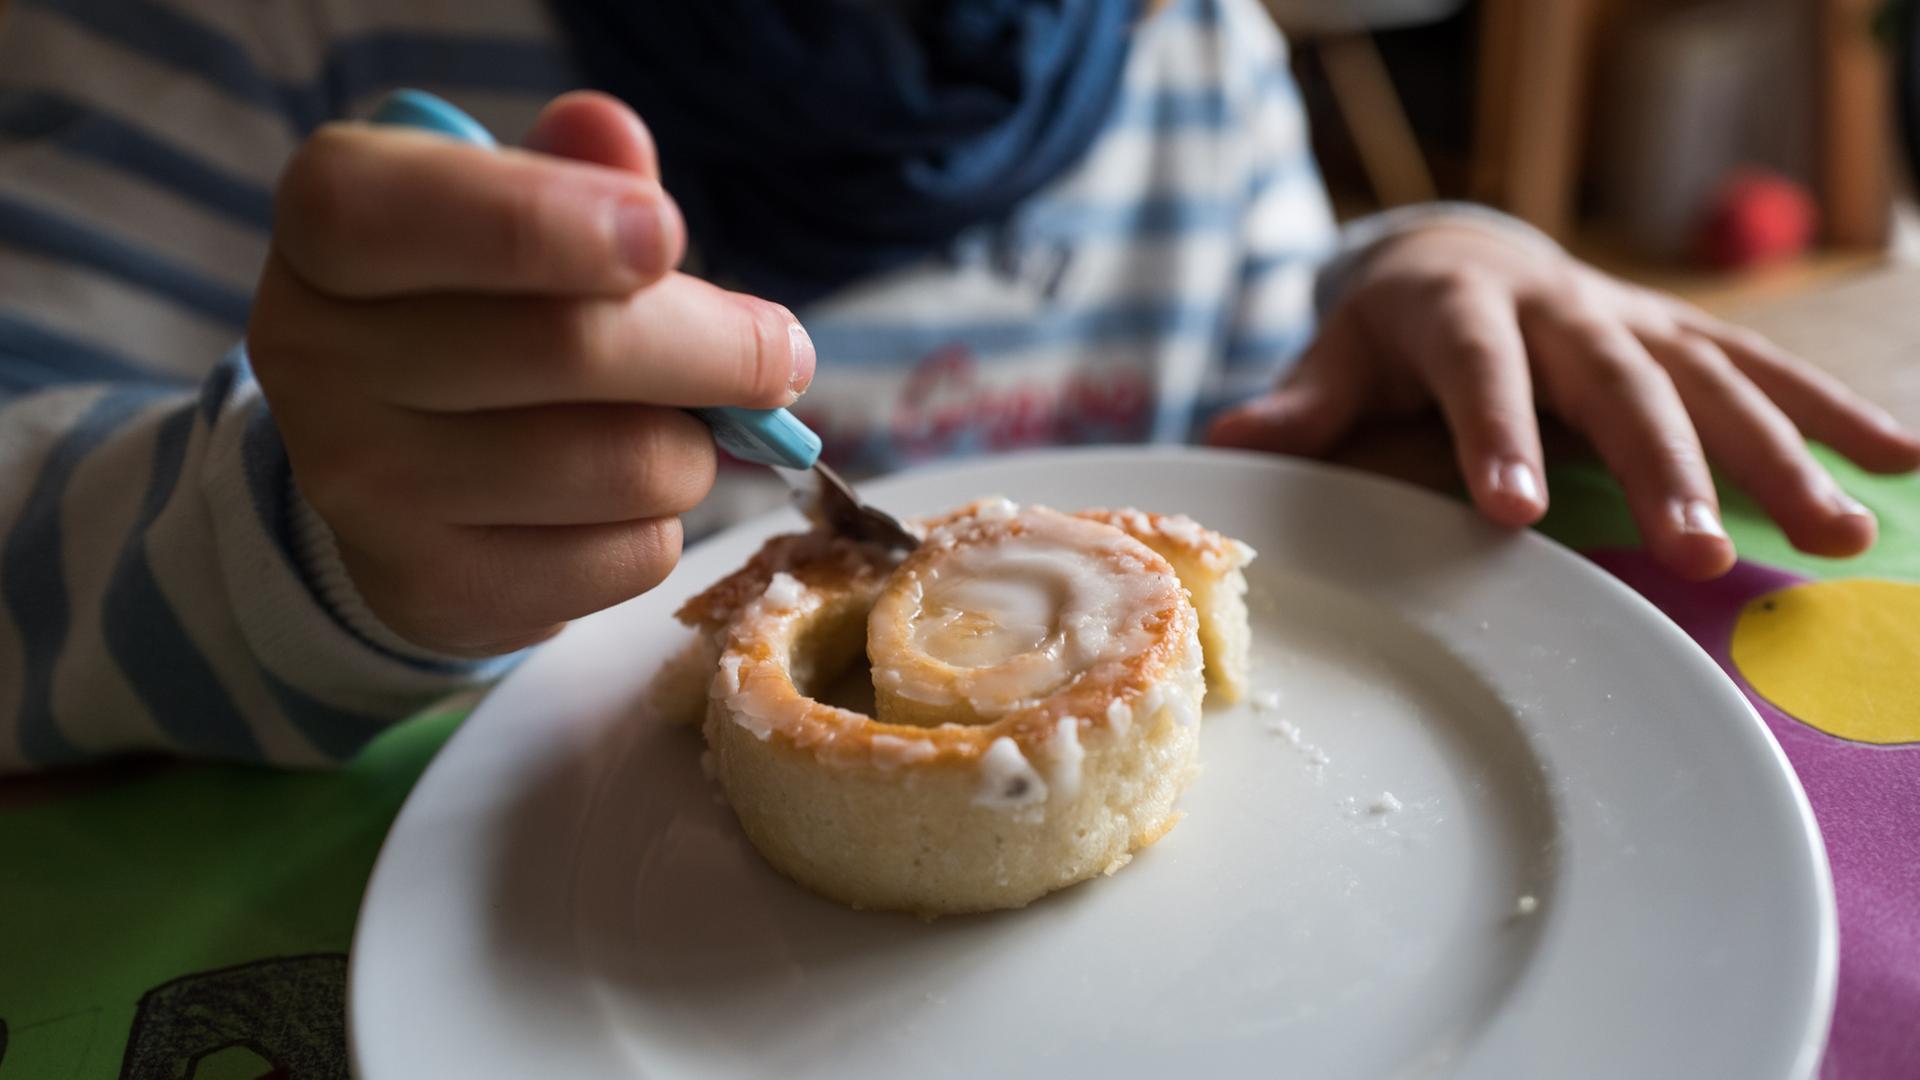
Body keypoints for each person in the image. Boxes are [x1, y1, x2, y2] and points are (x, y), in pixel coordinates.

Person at [1, 0, 1914, 771]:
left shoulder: (1188, 46)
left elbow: (1266, 406)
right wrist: (304, 534)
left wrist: (1415, 275)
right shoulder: (242, 38)